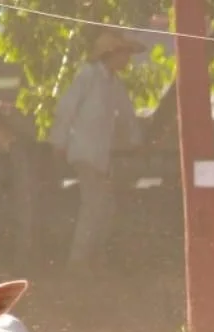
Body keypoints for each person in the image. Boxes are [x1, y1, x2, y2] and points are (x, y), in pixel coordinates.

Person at [48, 27, 145, 277]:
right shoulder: (88, 76)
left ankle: (92, 259)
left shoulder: (113, 83)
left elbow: (127, 114)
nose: (127, 59)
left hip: (99, 156)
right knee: (94, 205)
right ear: (112, 54)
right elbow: (66, 108)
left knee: (105, 207)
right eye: (124, 53)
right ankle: (78, 263)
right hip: (84, 152)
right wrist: (58, 141)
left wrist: (137, 140)